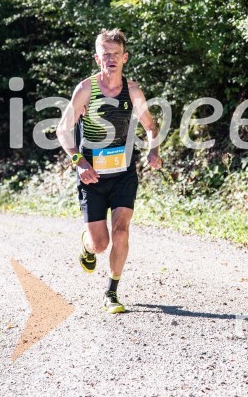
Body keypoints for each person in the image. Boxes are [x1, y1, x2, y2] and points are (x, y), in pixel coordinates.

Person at [57, 29, 162, 313]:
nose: (111, 59)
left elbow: (151, 127)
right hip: (92, 175)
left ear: (124, 57)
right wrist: (79, 162)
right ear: (97, 58)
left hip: (124, 173)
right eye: (106, 55)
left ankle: (112, 292)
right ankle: (87, 244)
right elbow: (62, 130)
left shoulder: (133, 90)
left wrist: (153, 149)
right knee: (100, 244)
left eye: (116, 54)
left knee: (121, 230)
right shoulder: (86, 90)